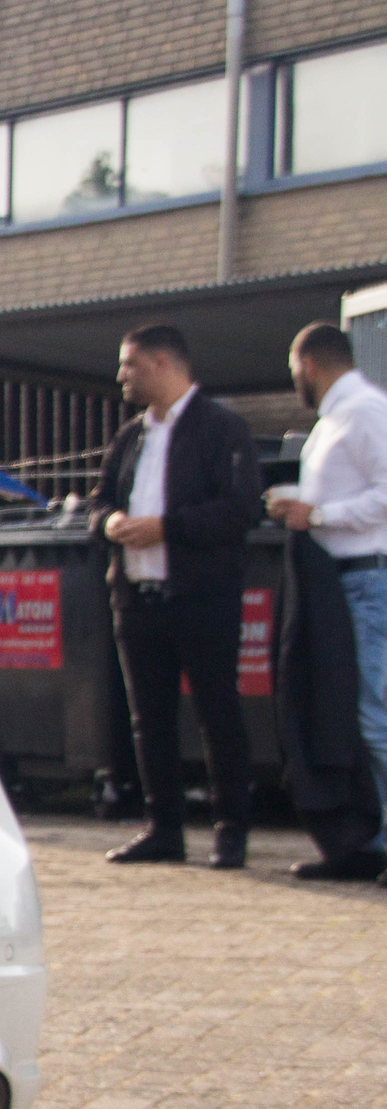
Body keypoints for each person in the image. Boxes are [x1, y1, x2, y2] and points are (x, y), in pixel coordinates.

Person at [87, 324, 264, 867]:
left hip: (202, 595)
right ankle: (163, 829)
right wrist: (111, 522)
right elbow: (96, 506)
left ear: (163, 364)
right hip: (137, 599)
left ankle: (230, 831)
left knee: (218, 712)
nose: (122, 376)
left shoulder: (222, 428)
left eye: (130, 365)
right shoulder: (131, 436)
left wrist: (168, 528)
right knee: (149, 718)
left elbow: (241, 510)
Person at [266, 322, 387, 881]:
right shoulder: (332, 422)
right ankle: (369, 843)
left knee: (374, 716)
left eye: (294, 371)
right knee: (352, 717)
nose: (295, 381)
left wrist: (317, 515)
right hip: (338, 584)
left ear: (308, 364)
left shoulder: (363, 410)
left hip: (365, 580)